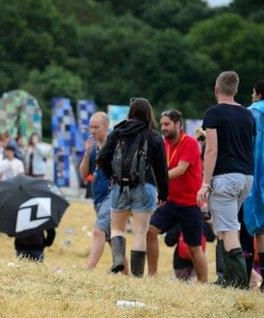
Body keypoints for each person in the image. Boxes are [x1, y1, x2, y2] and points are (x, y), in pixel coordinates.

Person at [197, 71, 256, 289]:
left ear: (216, 89)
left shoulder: (213, 114)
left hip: (225, 178)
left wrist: (204, 184)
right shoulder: (247, 115)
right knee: (225, 227)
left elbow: (211, 150)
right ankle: (227, 279)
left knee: (228, 229)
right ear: (236, 90)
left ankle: (239, 283)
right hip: (246, 177)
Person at [97, 98, 168, 277]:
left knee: (117, 228)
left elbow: (103, 158)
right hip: (145, 187)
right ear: (149, 113)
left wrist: (112, 176)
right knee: (139, 233)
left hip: (120, 187)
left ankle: (118, 259)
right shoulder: (154, 136)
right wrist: (164, 193)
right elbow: (161, 168)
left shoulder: (118, 132)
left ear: (131, 112)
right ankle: (136, 277)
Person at [145, 110, 208, 282]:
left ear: (178, 125)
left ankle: (204, 285)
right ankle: (152, 276)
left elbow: (180, 169)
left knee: (194, 248)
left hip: (190, 204)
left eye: (167, 124)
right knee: (150, 232)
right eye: (162, 124)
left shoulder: (189, 142)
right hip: (171, 202)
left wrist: (157, 178)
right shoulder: (162, 143)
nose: (163, 128)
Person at [79, 112, 129, 274]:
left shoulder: (115, 146)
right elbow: (83, 174)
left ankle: (88, 268)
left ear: (106, 127)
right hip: (99, 199)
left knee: (99, 231)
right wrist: (87, 154)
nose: (92, 130)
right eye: (91, 127)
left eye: (96, 127)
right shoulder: (92, 147)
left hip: (112, 195)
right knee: (114, 239)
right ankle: (129, 277)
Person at [243, 79, 264, 292]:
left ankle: (249, 277)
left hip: (253, 172)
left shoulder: (249, 113)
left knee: (254, 226)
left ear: (258, 93)